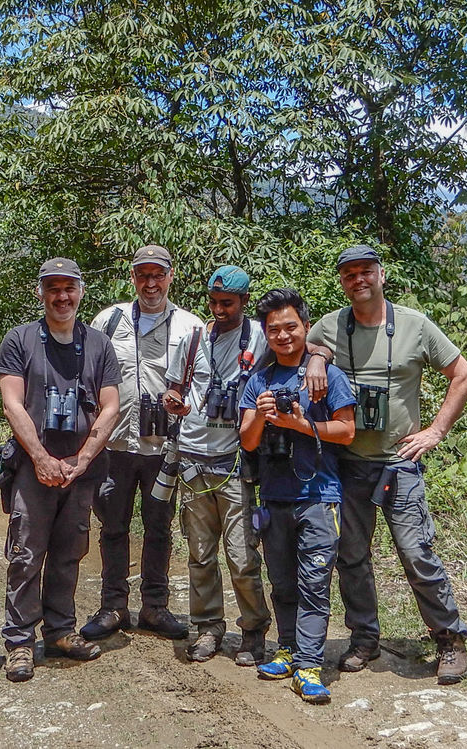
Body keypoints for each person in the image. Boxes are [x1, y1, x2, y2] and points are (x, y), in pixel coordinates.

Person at [303, 244, 467, 685]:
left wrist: (435, 432)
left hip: (400, 463)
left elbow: (463, 375)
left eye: (365, 272)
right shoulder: (331, 325)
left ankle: (450, 640)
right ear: (342, 281)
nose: (358, 280)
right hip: (348, 462)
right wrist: (320, 356)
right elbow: (298, 345)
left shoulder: (416, 326)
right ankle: (364, 639)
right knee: (352, 557)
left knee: (417, 554)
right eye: (349, 275)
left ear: (382, 275)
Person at [0, 257, 121, 683]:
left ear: (81, 292)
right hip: (34, 468)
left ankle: (61, 631)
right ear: (40, 293)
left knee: (70, 553)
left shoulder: (100, 345)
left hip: (80, 470)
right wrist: (41, 458)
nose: (62, 296)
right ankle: (19, 642)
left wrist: (82, 459)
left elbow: (111, 405)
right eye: (53, 288)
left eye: (69, 288)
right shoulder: (20, 340)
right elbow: (12, 402)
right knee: (27, 555)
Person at [239, 287, 356, 705]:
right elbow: (248, 441)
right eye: (274, 330)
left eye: (291, 326)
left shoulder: (328, 375)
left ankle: (309, 664)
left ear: (306, 326)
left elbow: (346, 431)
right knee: (283, 580)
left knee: (314, 581)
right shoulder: (260, 380)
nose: (283, 335)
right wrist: (265, 414)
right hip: (274, 496)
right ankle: (287, 649)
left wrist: (301, 425)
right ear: (265, 334)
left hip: (319, 496)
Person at [82, 245, 202, 642]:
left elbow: (203, 382)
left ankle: (155, 606)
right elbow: (88, 375)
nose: (150, 284)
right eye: (143, 275)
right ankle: (113, 605)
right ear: (132, 277)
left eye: (158, 275)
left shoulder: (190, 326)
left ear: (171, 276)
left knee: (159, 526)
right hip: (115, 445)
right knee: (112, 526)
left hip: (164, 447)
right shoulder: (109, 320)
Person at [162, 265, 272, 666]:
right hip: (192, 459)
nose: (219, 309)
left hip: (234, 462)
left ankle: (254, 629)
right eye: (214, 302)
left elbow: (294, 354)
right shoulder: (193, 338)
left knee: (242, 555)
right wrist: (173, 401)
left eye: (228, 302)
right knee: (200, 553)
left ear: (244, 301)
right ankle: (208, 627)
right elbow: (173, 387)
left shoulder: (261, 337)